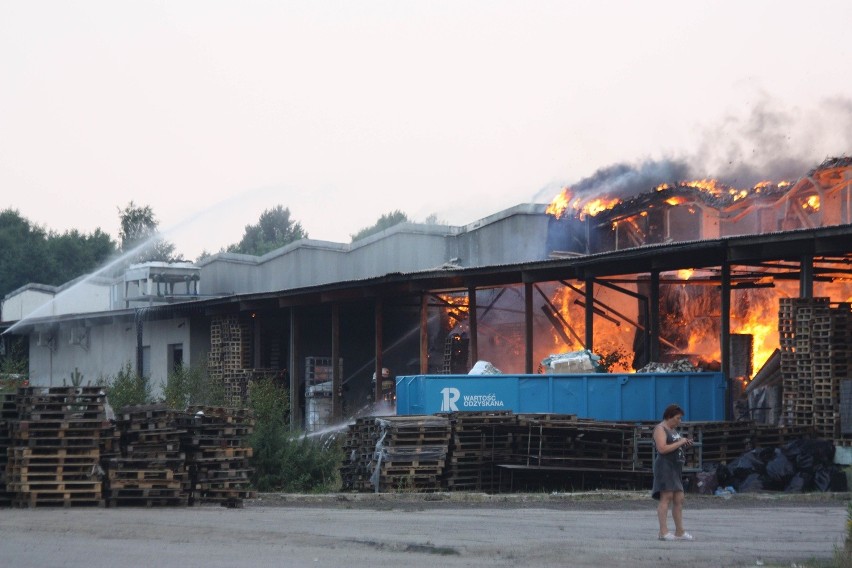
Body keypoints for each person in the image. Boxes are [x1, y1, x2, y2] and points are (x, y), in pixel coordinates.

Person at [652, 403, 695, 541]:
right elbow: (662, 449)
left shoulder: (673, 430)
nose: (679, 421)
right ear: (669, 416)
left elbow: (676, 445)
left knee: (679, 498)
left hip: (676, 467)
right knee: (666, 497)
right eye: (677, 418)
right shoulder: (660, 429)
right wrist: (680, 442)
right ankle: (663, 532)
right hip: (665, 466)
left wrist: (685, 444)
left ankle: (679, 531)